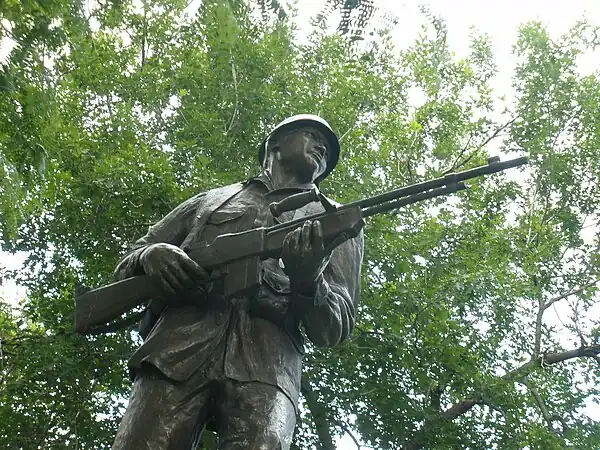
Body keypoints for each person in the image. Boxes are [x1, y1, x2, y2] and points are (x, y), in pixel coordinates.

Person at [111, 114, 364, 449]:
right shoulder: (212, 200)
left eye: (328, 151)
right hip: (175, 353)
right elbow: (129, 260)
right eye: (311, 135)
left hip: (267, 372)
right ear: (275, 143)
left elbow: (335, 328)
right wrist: (150, 255)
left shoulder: (335, 220)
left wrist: (308, 279)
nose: (322, 148)